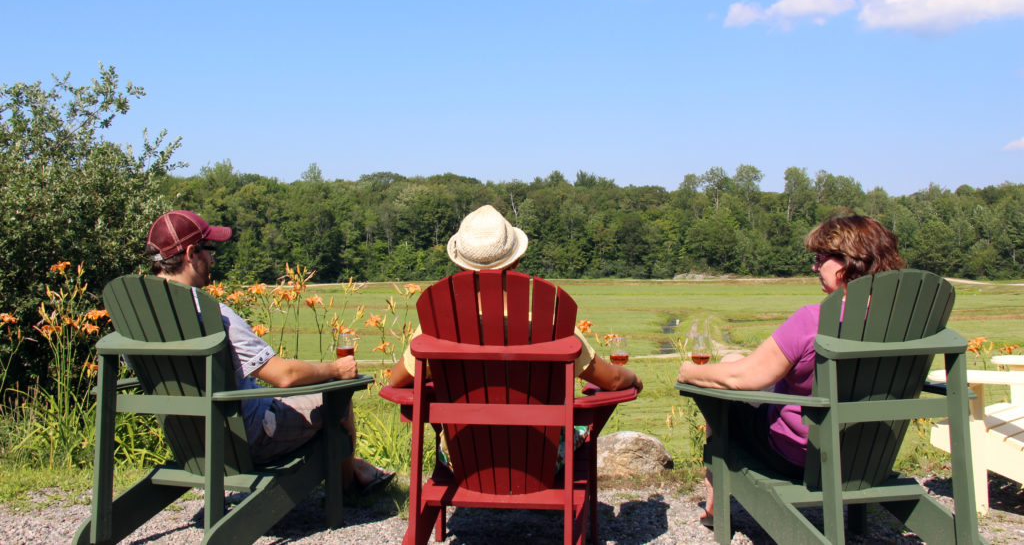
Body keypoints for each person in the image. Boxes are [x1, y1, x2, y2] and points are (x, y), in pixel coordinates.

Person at [676, 214, 905, 527]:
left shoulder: (814, 320)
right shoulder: (904, 322)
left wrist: (689, 372)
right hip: (869, 455)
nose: (814, 267)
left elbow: (743, 379)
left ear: (847, 262)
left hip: (801, 456)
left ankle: (716, 494)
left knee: (724, 383)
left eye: (820, 258)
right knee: (733, 363)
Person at [143, 210, 394, 492]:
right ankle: (348, 487)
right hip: (247, 439)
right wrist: (335, 370)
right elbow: (283, 375)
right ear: (191, 253)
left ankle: (356, 467)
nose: (213, 259)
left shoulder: (140, 318)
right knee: (337, 395)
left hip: (189, 444)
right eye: (209, 250)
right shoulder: (214, 315)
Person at [390, 204, 642, 396]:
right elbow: (613, 381)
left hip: (461, 459)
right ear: (517, 260)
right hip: (544, 459)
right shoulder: (549, 322)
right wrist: (634, 379)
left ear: (460, 265)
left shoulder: (441, 324)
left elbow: (397, 380)